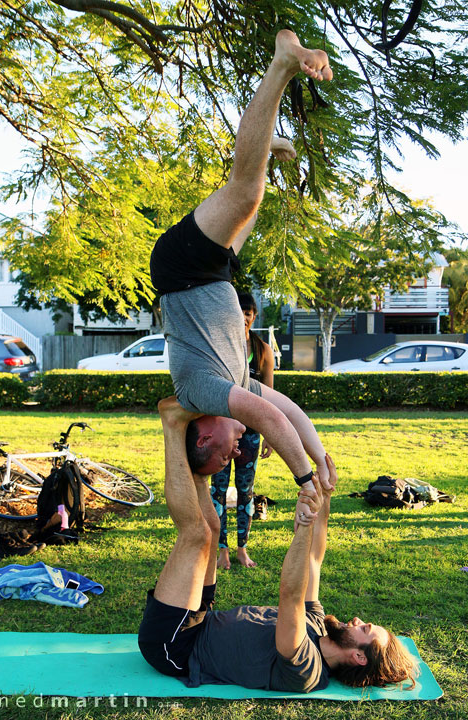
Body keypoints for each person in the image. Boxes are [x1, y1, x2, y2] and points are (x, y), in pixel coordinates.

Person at [150, 29, 333, 504]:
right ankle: (264, 146)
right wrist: (319, 455)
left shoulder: (199, 395)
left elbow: (268, 419)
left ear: (205, 437)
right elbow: (286, 408)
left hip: (181, 269)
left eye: (223, 456)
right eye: (234, 458)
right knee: (252, 201)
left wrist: (303, 480)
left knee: (245, 191)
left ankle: (282, 60)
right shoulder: (231, 382)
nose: (234, 453)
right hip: (210, 275)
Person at [138, 397, 418, 693]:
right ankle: (194, 452)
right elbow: (314, 561)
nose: (358, 620)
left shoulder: (307, 669)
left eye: (364, 629)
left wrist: (304, 526)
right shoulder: (318, 624)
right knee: (212, 528)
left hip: (176, 645)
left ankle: (172, 423)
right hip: (202, 617)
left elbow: (291, 594)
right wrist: (324, 494)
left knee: (195, 534)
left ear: (359, 657)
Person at [211, 292, 274, 569]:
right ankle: (221, 549)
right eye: (241, 311)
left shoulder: (263, 351)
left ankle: (242, 549)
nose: (245, 316)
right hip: (223, 430)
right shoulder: (222, 347)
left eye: (249, 312)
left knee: (246, 492)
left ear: (254, 316)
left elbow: (269, 396)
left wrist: (270, 433)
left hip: (250, 433)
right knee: (219, 491)